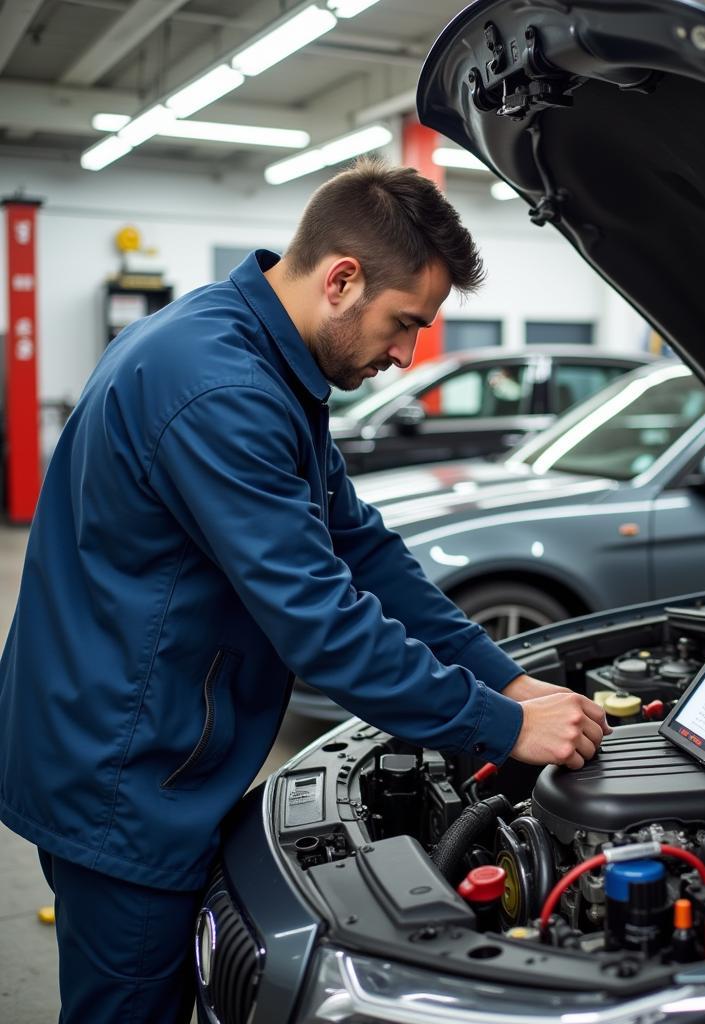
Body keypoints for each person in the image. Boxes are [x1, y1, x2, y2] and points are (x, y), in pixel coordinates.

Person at [0, 159, 610, 1023]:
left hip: (145, 736)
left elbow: (363, 552)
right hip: (122, 774)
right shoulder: (222, 390)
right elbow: (322, 623)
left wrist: (506, 677)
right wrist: (503, 727)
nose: (406, 356)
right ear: (342, 280)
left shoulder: (257, 356)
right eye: (406, 324)